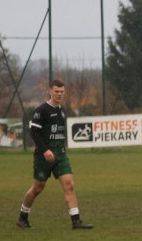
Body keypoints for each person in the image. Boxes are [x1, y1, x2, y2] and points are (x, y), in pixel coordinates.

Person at [16, 79, 93, 230]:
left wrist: (59, 150)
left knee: (69, 185)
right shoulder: (42, 110)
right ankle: (22, 217)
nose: (59, 94)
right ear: (50, 91)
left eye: (62, 92)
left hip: (60, 155)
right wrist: (45, 150)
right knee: (38, 188)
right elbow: (34, 132)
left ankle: (76, 220)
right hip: (43, 156)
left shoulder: (61, 110)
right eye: (56, 91)